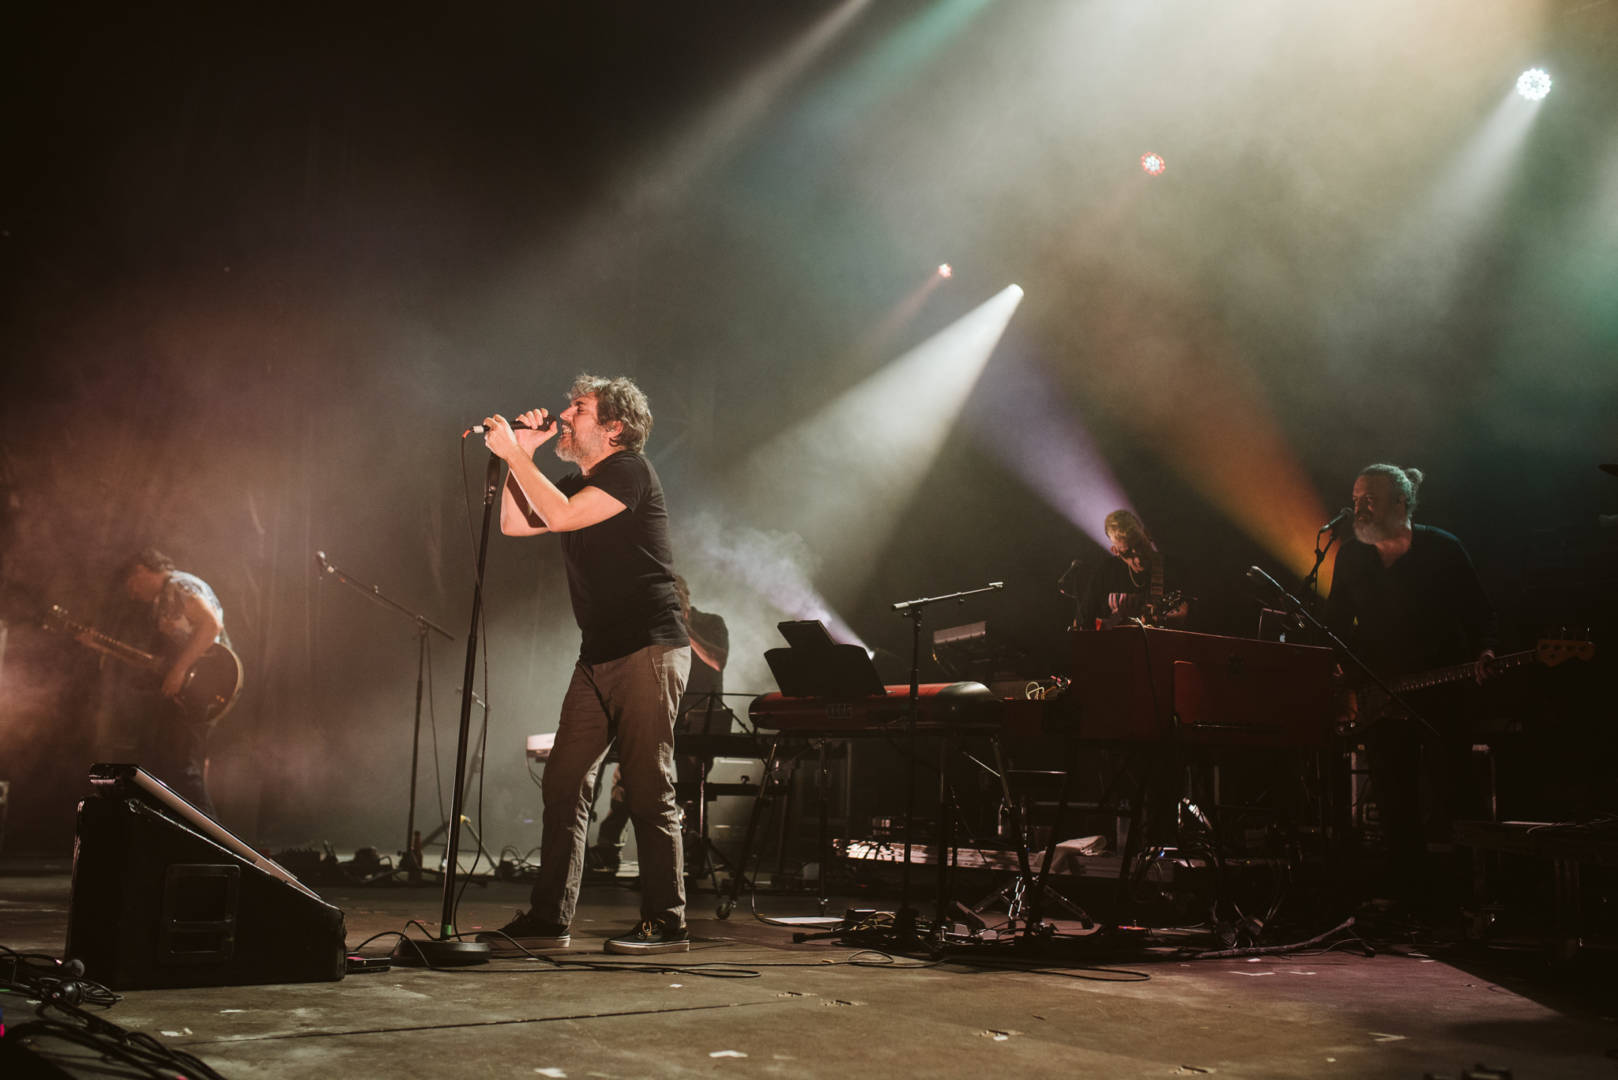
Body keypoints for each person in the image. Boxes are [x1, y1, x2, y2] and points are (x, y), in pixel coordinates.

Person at [477, 374, 692, 955]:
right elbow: (515, 523)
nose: (566, 416)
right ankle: (550, 918)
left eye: (579, 408)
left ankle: (667, 920)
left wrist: (518, 457)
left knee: (647, 786)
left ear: (614, 427)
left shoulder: (629, 471)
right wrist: (523, 454)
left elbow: (564, 516)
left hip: (649, 648)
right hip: (596, 654)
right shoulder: (576, 481)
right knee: (564, 781)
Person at [1324, 463, 1497, 911]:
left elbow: (1478, 611)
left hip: (1441, 690)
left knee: (1455, 789)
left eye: (1369, 499)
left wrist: (1486, 650)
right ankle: (1406, 892)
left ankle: (1474, 893)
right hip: (1379, 694)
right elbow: (1335, 625)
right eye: (1356, 499)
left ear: (1400, 502)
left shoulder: (1443, 548)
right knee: (1392, 795)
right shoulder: (1351, 556)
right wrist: (1341, 677)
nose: (1358, 508)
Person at [587, 575, 729, 874]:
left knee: (692, 788)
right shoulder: (656, 626)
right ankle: (608, 848)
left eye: (675, 595)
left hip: (699, 718)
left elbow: (717, 660)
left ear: (686, 596)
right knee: (627, 778)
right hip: (659, 710)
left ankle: (692, 851)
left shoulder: (711, 622)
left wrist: (684, 628)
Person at [97, 547, 229, 819]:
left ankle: (210, 836)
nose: (132, 593)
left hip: (202, 684)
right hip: (196, 688)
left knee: (182, 768)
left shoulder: (178, 585)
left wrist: (179, 670)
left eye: (131, 585)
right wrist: (103, 646)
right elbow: (162, 660)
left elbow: (210, 625)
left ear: (141, 571)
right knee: (170, 764)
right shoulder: (165, 598)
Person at [1074, 510, 1190, 630]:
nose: (1138, 559)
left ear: (1147, 534)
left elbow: (1187, 616)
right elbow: (1083, 620)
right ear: (1115, 551)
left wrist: (1162, 619)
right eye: (1127, 553)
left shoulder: (1172, 569)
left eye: (1140, 545)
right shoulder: (1106, 571)